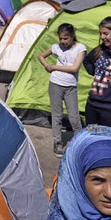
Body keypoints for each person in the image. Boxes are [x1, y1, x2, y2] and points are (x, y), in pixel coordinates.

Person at [38, 23, 86, 157]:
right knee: (57, 115)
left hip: (70, 87)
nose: (63, 42)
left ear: (72, 36)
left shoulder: (80, 48)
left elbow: (74, 68)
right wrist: (47, 65)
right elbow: (41, 56)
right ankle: (57, 141)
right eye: (61, 39)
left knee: (74, 116)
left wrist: (54, 67)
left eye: (66, 38)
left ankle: (80, 142)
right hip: (55, 84)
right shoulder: (56, 47)